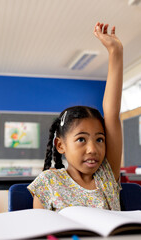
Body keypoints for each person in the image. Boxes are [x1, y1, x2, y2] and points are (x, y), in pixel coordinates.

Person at [28, 22, 123, 212]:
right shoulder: (48, 183)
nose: (92, 149)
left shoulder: (106, 175)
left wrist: (116, 52)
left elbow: (111, 113)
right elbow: (38, 229)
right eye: (81, 139)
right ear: (60, 145)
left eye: (99, 139)